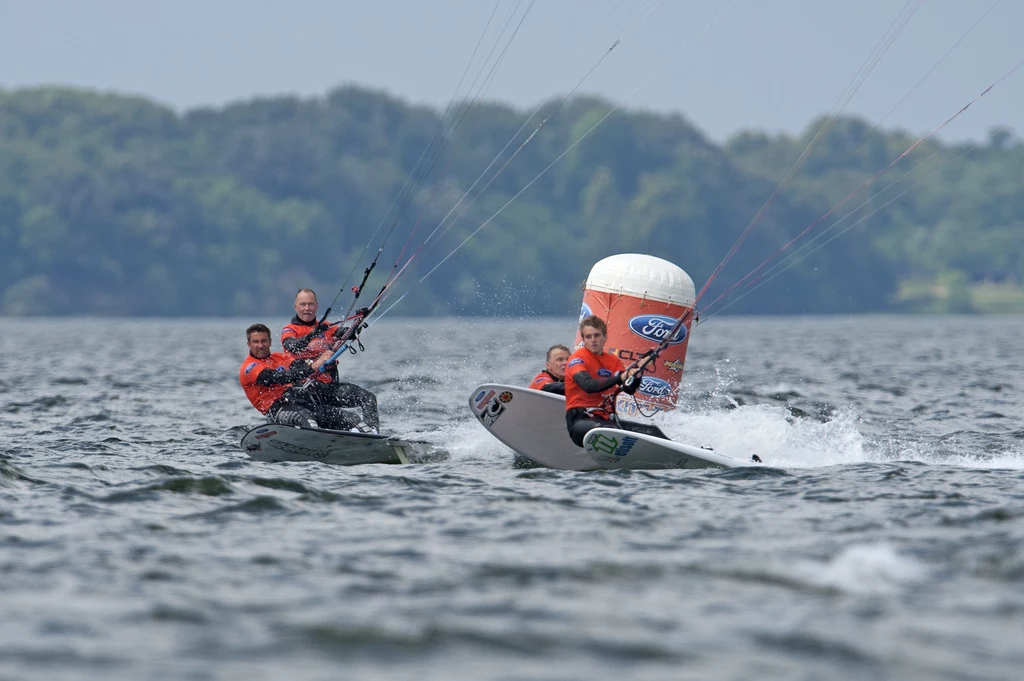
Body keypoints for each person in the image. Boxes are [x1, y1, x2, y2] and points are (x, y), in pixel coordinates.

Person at [279, 288, 380, 432]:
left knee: (368, 398)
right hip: (306, 392)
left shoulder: (328, 327)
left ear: (317, 306)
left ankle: (373, 435)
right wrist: (313, 334)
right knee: (349, 418)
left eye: (310, 304)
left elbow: (348, 333)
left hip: (329, 389)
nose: (307, 308)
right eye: (303, 304)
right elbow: (293, 346)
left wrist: (359, 320)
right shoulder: (289, 330)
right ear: (296, 306)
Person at [239, 323, 364, 431]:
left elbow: (301, 364)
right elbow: (278, 377)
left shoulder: (280, 357)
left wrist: (323, 358)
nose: (260, 345)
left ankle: (368, 438)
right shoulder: (249, 367)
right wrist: (314, 366)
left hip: (299, 401)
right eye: (256, 342)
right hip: (278, 409)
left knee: (350, 418)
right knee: (309, 422)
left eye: (264, 341)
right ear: (249, 344)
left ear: (270, 341)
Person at [564, 315, 643, 447]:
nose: (593, 340)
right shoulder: (576, 359)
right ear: (583, 339)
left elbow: (628, 389)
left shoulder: (613, 361)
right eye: (588, 337)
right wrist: (620, 377)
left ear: (605, 337)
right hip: (580, 421)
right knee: (611, 432)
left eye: (597, 335)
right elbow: (588, 386)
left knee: (650, 431)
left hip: (608, 419)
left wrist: (637, 376)